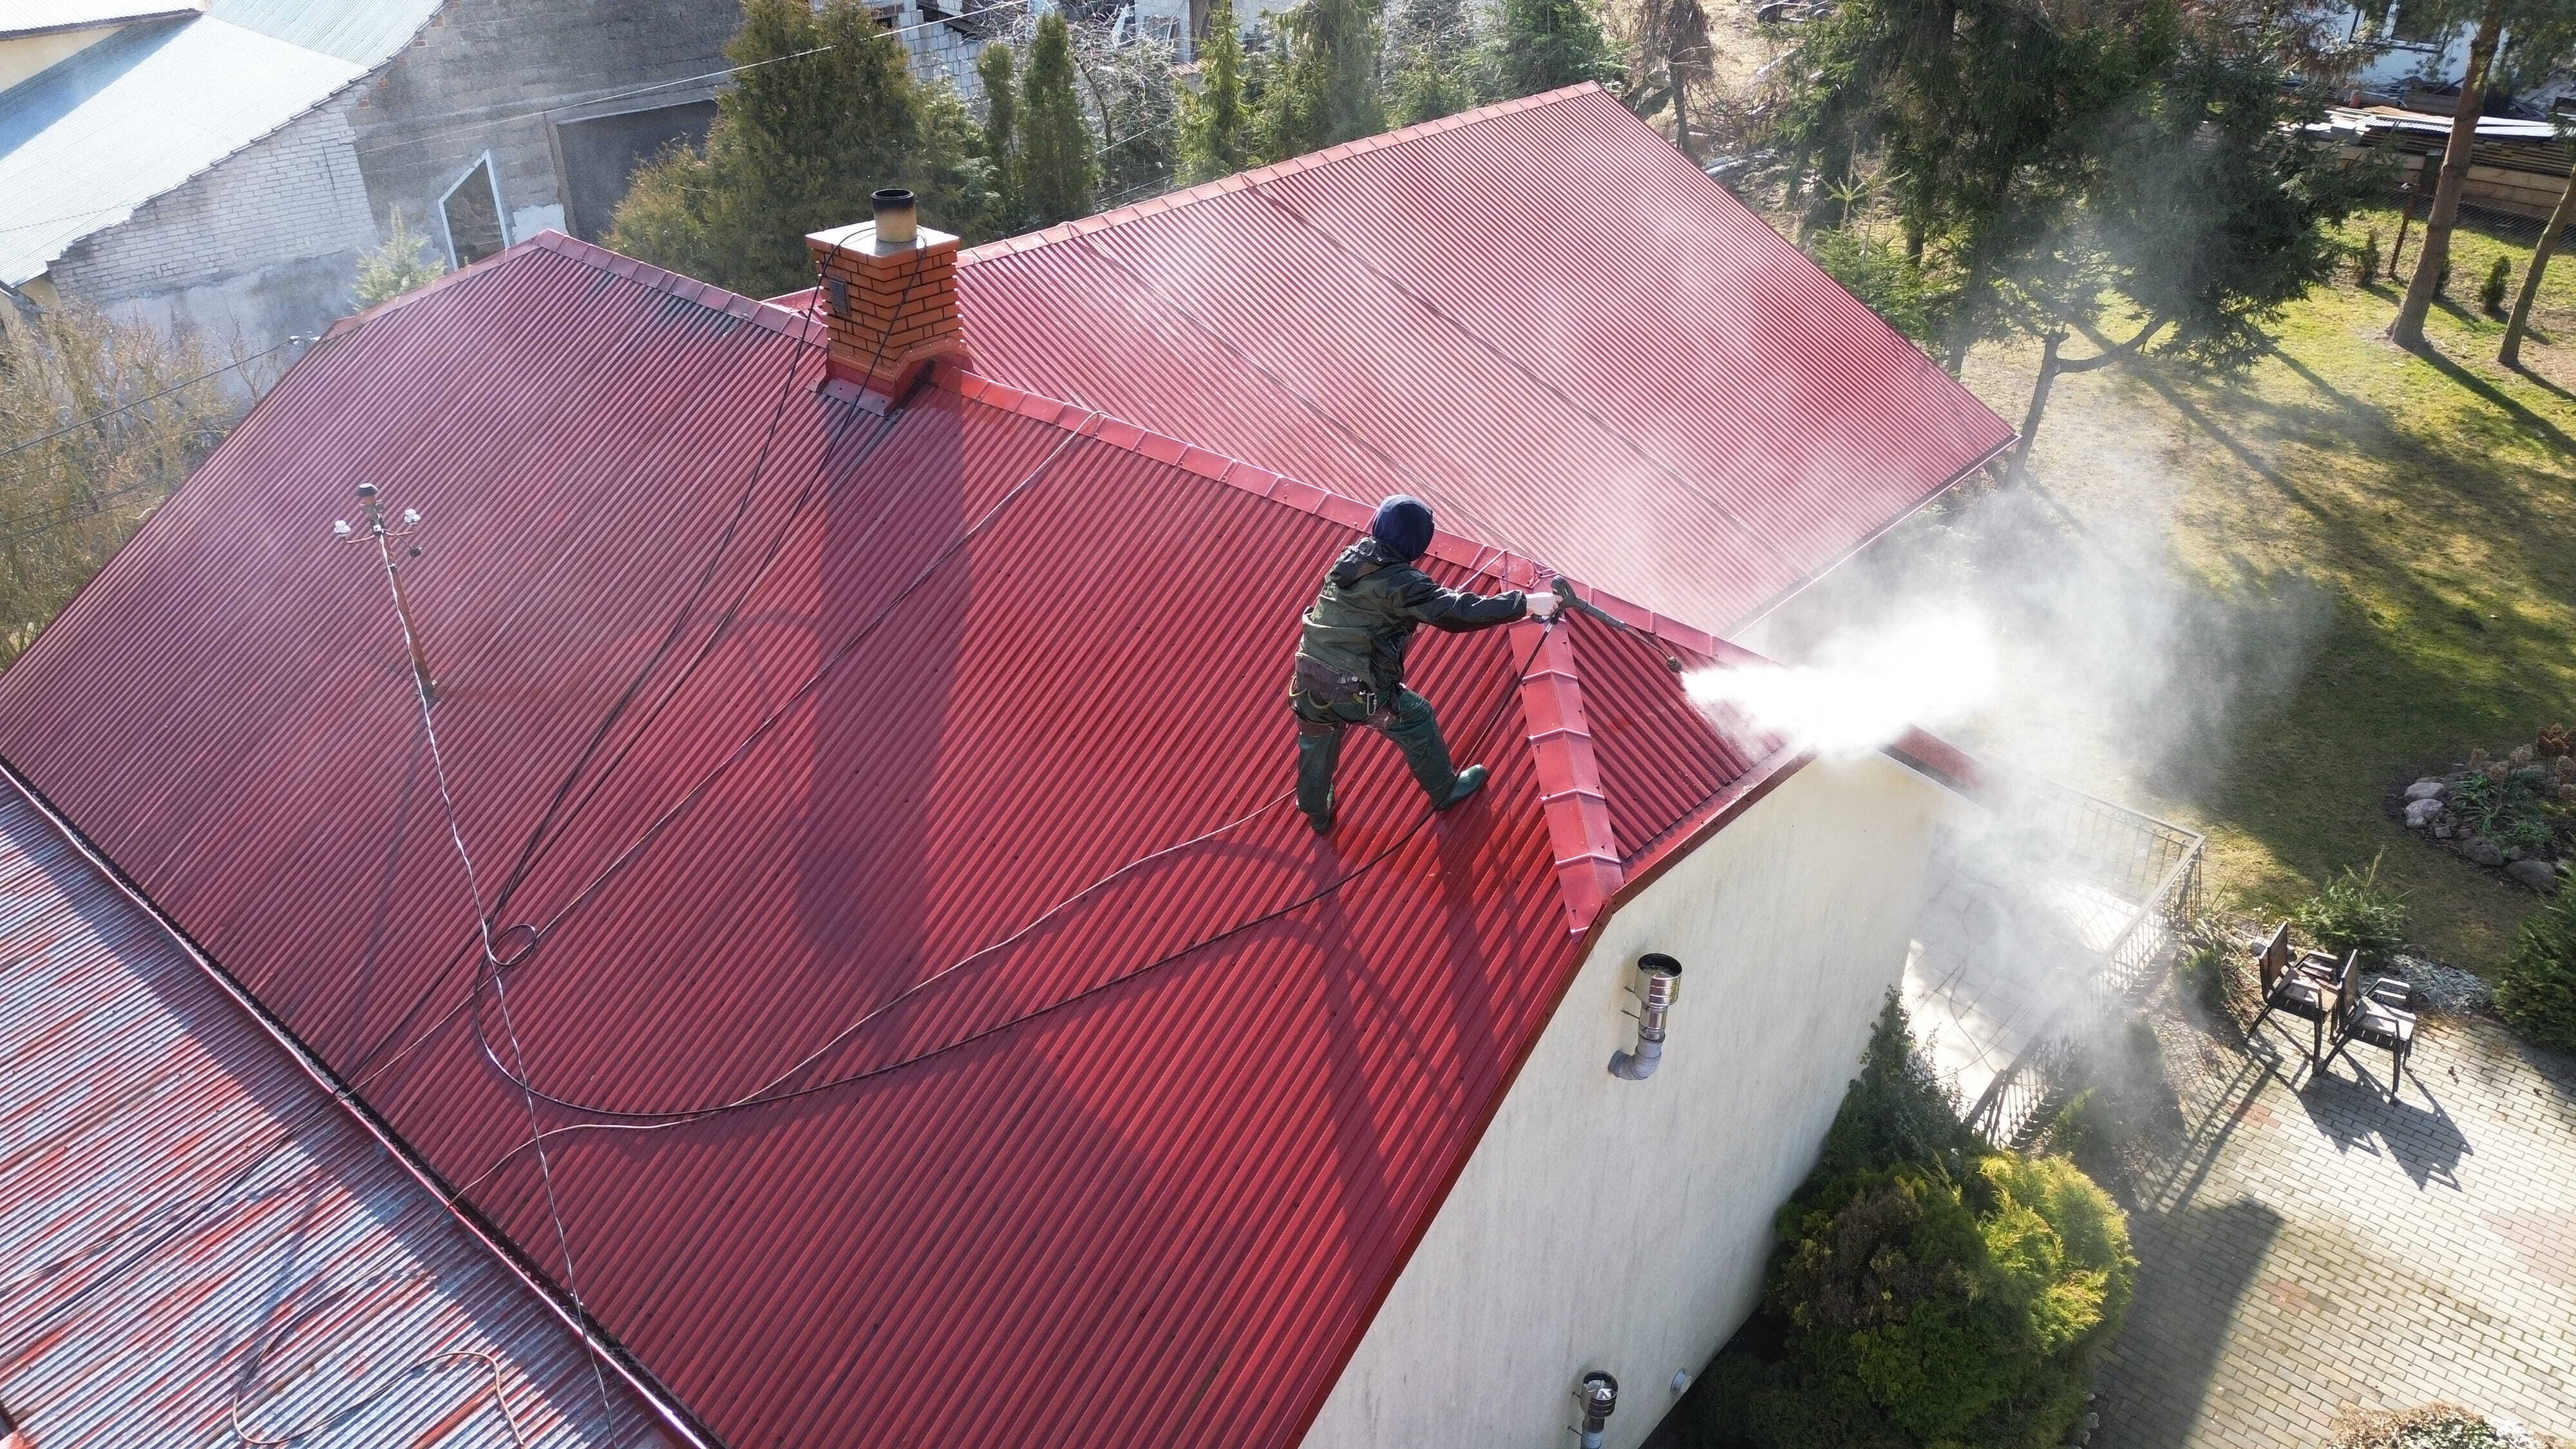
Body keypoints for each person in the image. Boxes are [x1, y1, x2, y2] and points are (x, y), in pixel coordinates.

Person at [1289, 495, 1558, 833]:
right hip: (1356, 691)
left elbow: (1366, 611)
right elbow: (1459, 613)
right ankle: (1444, 790)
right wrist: (1527, 603)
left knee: (1316, 738)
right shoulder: (1405, 584)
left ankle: (1315, 809)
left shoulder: (1351, 558)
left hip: (1309, 677)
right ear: (1418, 541)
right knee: (1417, 717)